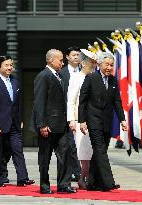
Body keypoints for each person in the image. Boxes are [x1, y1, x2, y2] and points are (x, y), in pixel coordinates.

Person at [78, 52, 128, 191]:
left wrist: (122, 119)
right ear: (99, 64)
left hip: (107, 121)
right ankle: (108, 182)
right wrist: (82, 121)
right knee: (100, 150)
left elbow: (117, 101)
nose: (109, 67)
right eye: (107, 64)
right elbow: (82, 101)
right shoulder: (91, 77)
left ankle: (92, 183)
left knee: (99, 152)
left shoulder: (113, 80)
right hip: (93, 120)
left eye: (111, 65)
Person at [30, 49, 76, 194]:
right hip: (48, 126)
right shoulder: (43, 76)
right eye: (60, 60)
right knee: (45, 157)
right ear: (50, 60)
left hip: (61, 125)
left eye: (63, 60)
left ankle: (63, 185)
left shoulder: (59, 76)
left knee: (65, 155)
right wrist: (42, 124)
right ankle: (44, 186)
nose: (62, 62)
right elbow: (39, 102)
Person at [0, 55, 34, 187]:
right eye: (6, 65)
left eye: (11, 65)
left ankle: (23, 178)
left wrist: (20, 119)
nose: (9, 67)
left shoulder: (15, 81)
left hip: (14, 123)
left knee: (17, 150)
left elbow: (17, 104)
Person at [67, 49, 96, 189]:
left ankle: (90, 177)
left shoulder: (95, 77)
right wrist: (71, 120)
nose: (94, 65)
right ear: (84, 63)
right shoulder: (76, 78)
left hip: (94, 120)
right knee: (83, 152)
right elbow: (71, 101)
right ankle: (83, 178)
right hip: (80, 120)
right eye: (92, 62)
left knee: (92, 151)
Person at [60, 46, 82, 182]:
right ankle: (78, 173)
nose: (76, 57)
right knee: (71, 146)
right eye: (73, 55)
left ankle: (81, 172)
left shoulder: (85, 72)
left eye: (78, 55)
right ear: (67, 57)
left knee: (82, 146)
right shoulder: (62, 74)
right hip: (67, 115)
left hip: (82, 114)